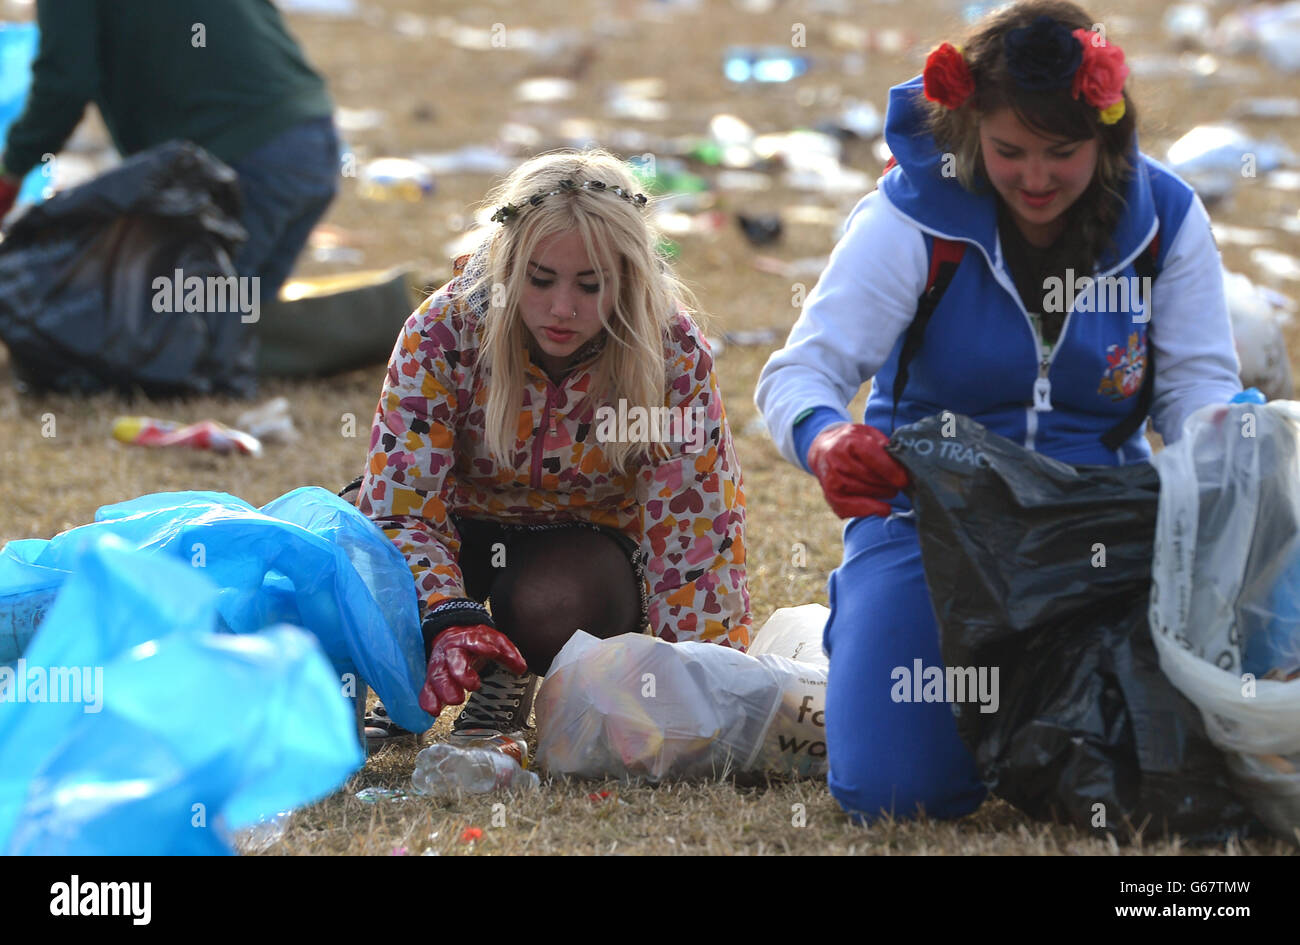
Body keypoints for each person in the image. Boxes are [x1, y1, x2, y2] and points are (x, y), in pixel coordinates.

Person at [755, 0, 1246, 823]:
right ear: (970, 128)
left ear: (1109, 134)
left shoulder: (1165, 220)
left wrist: (1231, 457)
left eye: (1064, 151)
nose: (1036, 178)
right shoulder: (913, 218)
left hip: (1105, 527)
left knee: (1170, 780)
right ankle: (867, 631)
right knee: (899, 793)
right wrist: (826, 435)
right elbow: (803, 370)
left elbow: (1198, 389)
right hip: (935, 521)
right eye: (1009, 150)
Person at [352, 149, 752, 747]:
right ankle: (422, 670)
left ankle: (512, 676)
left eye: (591, 286)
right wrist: (444, 614)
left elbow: (693, 526)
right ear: (506, 267)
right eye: (540, 280)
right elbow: (399, 505)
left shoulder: (670, 351)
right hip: (453, 527)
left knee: (557, 598)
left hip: (582, 548)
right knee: (347, 555)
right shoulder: (443, 332)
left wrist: (701, 681)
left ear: (632, 280)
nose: (563, 308)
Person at [0, 0, 338, 300]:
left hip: (243, 163)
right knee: (236, 327)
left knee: (164, 336)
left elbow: (64, 86)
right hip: (313, 138)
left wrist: (11, 171)